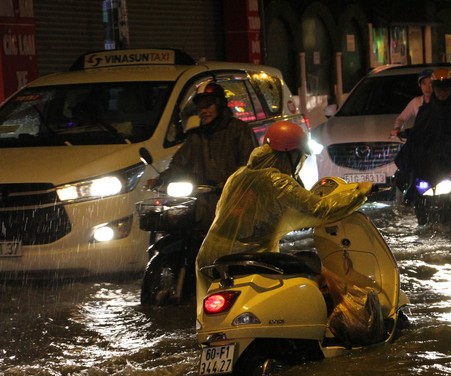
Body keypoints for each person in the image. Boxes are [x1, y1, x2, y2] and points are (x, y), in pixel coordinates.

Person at [195, 120, 372, 305]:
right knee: (311, 265)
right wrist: (359, 193)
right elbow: (321, 210)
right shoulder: (278, 182)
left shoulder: (239, 175)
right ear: (291, 155)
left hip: (209, 259)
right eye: (300, 156)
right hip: (247, 261)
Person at [148, 82, 257, 229]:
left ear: (219, 105)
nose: (203, 111)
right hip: (202, 203)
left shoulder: (239, 130)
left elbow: (248, 163)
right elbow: (179, 163)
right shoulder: (197, 136)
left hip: (233, 201)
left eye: (208, 106)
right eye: (200, 107)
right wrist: (160, 180)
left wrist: (230, 183)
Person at [394, 68, 451, 220]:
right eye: (438, 88)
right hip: (432, 163)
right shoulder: (426, 110)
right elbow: (420, 132)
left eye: (445, 88)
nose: (442, 92)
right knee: (413, 186)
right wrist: (409, 135)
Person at [390, 69, 433, 137]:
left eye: (431, 83)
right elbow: (401, 118)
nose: (427, 87)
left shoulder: (442, 101)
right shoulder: (416, 102)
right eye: (424, 83)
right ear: (420, 85)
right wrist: (397, 129)